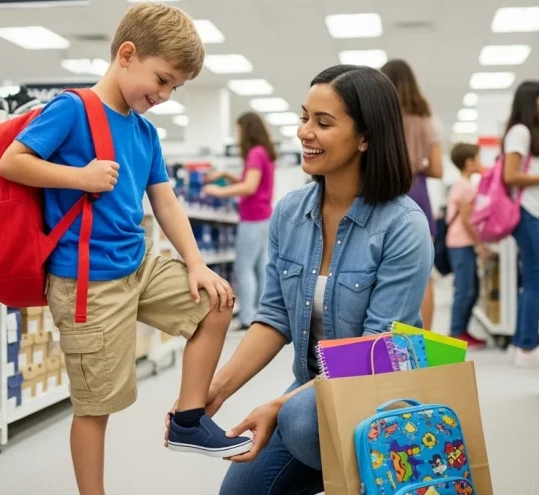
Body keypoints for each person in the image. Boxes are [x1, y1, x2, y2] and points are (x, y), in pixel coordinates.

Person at [0, 2, 249, 495]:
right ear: (127, 55)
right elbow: (13, 162)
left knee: (216, 302)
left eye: (176, 87)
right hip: (86, 281)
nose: (166, 95)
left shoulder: (145, 131)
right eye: (163, 80)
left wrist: (197, 264)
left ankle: (189, 419)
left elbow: (166, 200)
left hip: (138, 264)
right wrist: (80, 177)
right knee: (96, 406)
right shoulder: (72, 109)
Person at [162, 64, 433, 495]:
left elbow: (374, 351)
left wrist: (278, 405)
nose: (305, 132)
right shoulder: (291, 212)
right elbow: (273, 318)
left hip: (380, 390)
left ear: (365, 138)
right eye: (304, 117)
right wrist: (213, 390)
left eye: (323, 123)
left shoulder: (403, 224)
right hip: (312, 385)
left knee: (301, 422)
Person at [380, 59, 442, 332]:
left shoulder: (380, 116)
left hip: (382, 189)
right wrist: (419, 164)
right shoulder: (426, 119)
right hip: (417, 191)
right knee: (424, 274)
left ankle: (384, 339)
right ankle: (423, 342)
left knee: (381, 268)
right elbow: (438, 168)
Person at [202, 112, 277, 330]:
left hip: (252, 218)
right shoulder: (265, 153)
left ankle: (246, 318)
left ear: (247, 130)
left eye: (238, 130)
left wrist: (218, 191)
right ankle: (263, 316)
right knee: (261, 268)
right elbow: (253, 182)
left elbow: (249, 187)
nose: (237, 135)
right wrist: (227, 174)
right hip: (265, 217)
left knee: (244, 268)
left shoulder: (254, 153)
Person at [501, 80, 539, 367]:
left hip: (533, 214)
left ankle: (521, 343)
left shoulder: (530, 134)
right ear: (532, 103)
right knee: (538, 281)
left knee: (532, 281)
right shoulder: (520, 132)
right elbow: (510, 175)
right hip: (527, 213)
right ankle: (527, 346)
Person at [445, 143, 485, 349]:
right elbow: (468, 221)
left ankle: (462, 329)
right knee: (465, 289)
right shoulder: (465, 186)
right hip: (461, 243)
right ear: (469, 163)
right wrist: (481, 245)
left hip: (460, 243)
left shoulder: (462, 184)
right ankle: (456, 332)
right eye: (478, 158)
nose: (481, 162)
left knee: (471, 288)